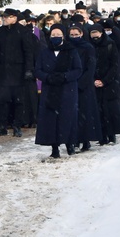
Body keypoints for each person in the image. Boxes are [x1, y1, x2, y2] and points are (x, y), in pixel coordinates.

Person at [34, 24, 82, 158]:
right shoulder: (44, 52)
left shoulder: (71, 51)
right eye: (53, 35)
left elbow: (78, 69)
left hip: (67, 89)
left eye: (58, 35)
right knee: (51, 119)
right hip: (50, 89)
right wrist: (48, 77)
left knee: (68, 117)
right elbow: (37, 70)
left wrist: (65, 76)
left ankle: (70, 144)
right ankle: (54, 147)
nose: (55, 37)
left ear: (63, 36)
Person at [0, 8, 34, 137]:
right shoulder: (0, 31)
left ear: (14, 17)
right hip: (3, 71)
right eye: (4, 17)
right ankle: (2, 125)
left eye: (7, 17)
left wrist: (28, 69)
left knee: (18, 100)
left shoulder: (23, 31)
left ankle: (17, 125)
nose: (4, 19)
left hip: (18, 71)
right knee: (2, 100)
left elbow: (28, 52)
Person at [89, 25, 120, 144]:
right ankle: (101, 135)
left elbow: (114, 65)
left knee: (110, 110)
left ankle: (111, 134)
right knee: (98, 110)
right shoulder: (89, 46)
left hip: (109, 83)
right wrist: (93, 79)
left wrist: (104, 80)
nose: (95, 36)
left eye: (96, 33)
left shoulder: (110, 44)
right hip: (94, 82)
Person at [68, 24, 101, 151]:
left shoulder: (88, 47)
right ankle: (74, 139)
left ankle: (86, 140)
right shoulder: (68, 47)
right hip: (71, 83)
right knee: (72, 114)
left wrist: (82, 82)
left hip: (85, 85)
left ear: (81, 34)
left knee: (86, 113)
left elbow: (91, 66)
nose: (74, 37)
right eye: (72, 35)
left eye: (77, 34)